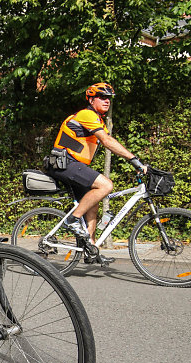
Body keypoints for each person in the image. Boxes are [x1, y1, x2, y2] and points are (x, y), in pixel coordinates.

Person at [46, 82, 146, 264]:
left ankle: (91, 250)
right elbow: (106, 141)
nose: (107, 101)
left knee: (93, 204)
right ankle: (73, 220)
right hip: (65, 163)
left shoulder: (98, 120)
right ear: (91, 100)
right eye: (102, 97)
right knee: (106, 185)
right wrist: (133, 159)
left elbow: (110, 142)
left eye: (109, 98)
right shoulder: (87, 114)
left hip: (74, 164)